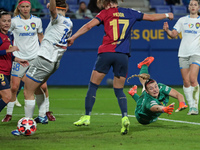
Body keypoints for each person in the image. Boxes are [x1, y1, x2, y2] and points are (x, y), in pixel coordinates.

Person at [67, 0, 174, 134]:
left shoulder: (105, 13)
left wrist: (74, 37)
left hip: (106, 53)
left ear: (106, 2)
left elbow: (88, 26)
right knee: (119, 90)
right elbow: (152, 18)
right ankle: (124, 118)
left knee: (93, 86)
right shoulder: (130, 12)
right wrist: (166, 14)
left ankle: (87, 116)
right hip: (122, 56)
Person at [11, 0, 73, 135]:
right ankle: (42, 115)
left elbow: (52, 11)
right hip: (54, 62)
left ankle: (26, 125)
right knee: (37, 87)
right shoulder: (69, 22)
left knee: (27, 90)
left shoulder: (58, 19)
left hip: (45, 59)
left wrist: (52, 2)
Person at [2, 0, 56, 123]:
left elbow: (40, 36)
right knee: (14, 87)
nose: (25, 9)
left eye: (27, 6)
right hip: (19, 58)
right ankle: (9, 113)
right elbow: (6, 36)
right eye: (23, 7)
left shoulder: (37, 21)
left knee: (42, 86)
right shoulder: (14, 22)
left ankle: (45, 113)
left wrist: (46, 50)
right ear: (19, 8)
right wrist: (10, 49)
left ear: (30, 7)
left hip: (34, 58)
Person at [163, 0, 200, 115]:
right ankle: (191, 106)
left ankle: (195, 106)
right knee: (186, 81)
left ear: (198, 7)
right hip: (183, 53)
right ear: (188, 7)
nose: (193, 6)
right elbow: (174, 34)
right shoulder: (182, 20)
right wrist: (167, 30)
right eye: (191, 5)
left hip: (196, 53)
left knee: (193, 79)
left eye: (195, 4)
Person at [127, 56, 188, 125]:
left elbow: (178, 95)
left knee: (146, 82)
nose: (155, 90)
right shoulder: (148, 100)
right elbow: (155, 108)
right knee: (143, 99)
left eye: (156, 86)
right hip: (143, 119)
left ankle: (144, 65)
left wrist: (182, 103)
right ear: (147, 91)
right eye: (151, 89)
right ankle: (133, 93)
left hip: (146, 100)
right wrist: (164, 109)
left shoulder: (160, 87)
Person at [0, 10, 29, 113]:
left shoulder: (9, 36)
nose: (7, 23)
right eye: (4, 21)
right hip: (1, 72)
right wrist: (9, 50)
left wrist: (17, 59)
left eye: (8, 21)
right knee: (7, 97)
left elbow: (8, 55)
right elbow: (6, 51)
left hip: (7, 72)